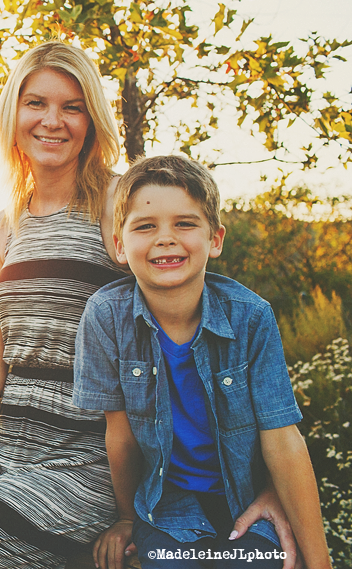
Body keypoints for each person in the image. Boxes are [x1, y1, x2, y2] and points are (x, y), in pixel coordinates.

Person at [0, 41, 298, 569]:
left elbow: (206, 336)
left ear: (92, 119)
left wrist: (262, 484)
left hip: (87, 462)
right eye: (36, 103)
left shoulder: (120, 203)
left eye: (72, 106)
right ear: (13, 113)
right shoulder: (5, 226)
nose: (52, 121)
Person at [73, 155, 331, 569]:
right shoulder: (106, 315)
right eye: (145, 226)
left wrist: (320, 563)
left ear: (215, 238)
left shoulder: (251, 316)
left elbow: (282, 438)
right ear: (120, 245)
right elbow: (118, 435)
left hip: (245, 497)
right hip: (166, 507)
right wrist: (125, 518)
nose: (165, 238)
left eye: (185, 223)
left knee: (255, 563)